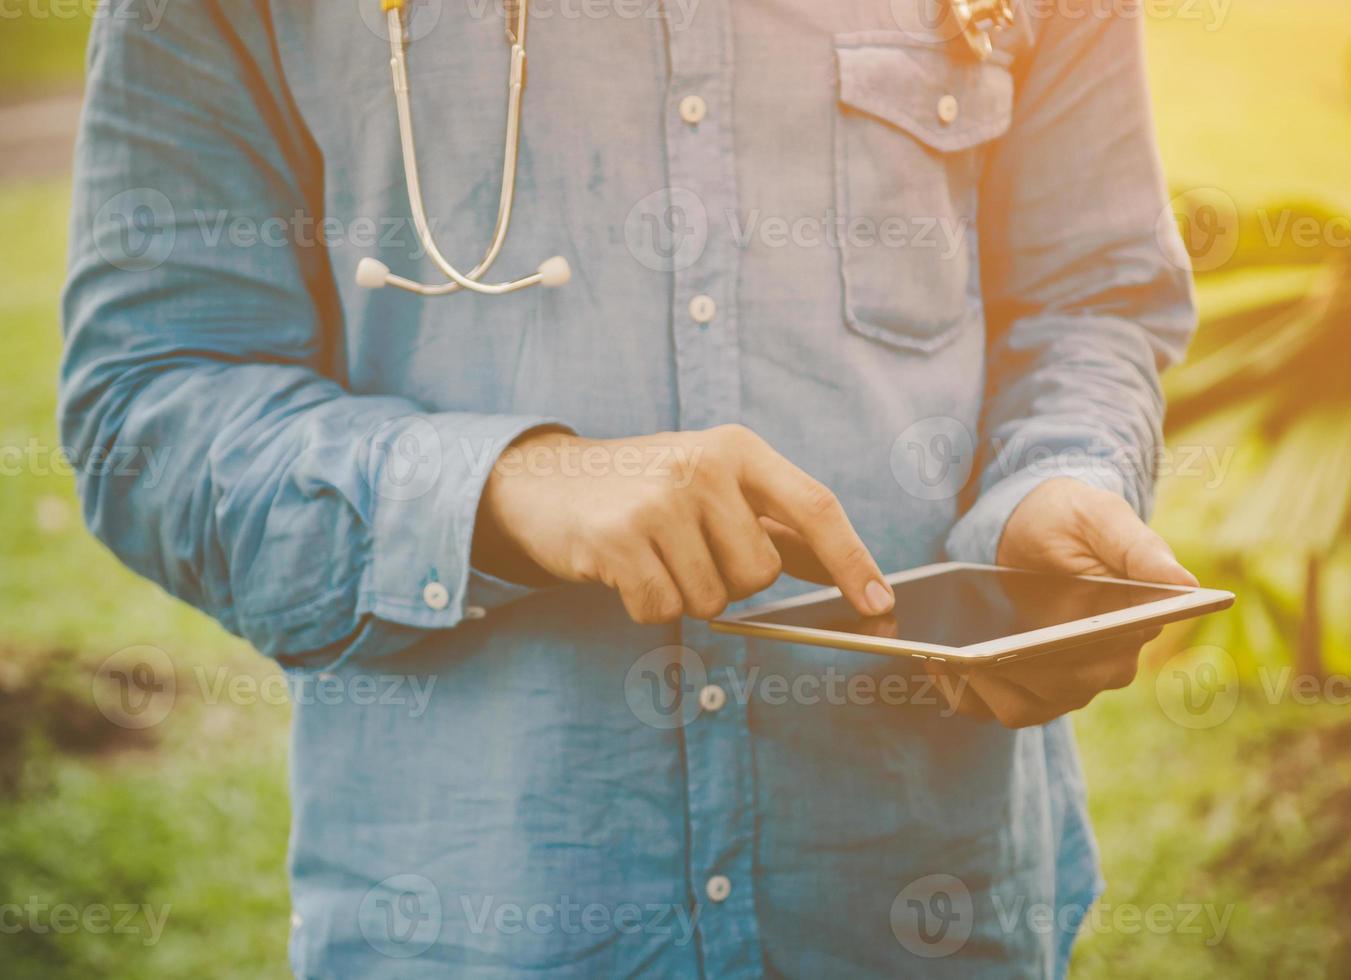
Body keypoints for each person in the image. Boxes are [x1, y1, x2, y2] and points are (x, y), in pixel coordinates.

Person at [61, 0, 1197, 975]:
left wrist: (1055, 478)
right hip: (472, 918)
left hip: (924, 897)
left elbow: (1089, 294)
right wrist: (507, 487)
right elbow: (147, 401)